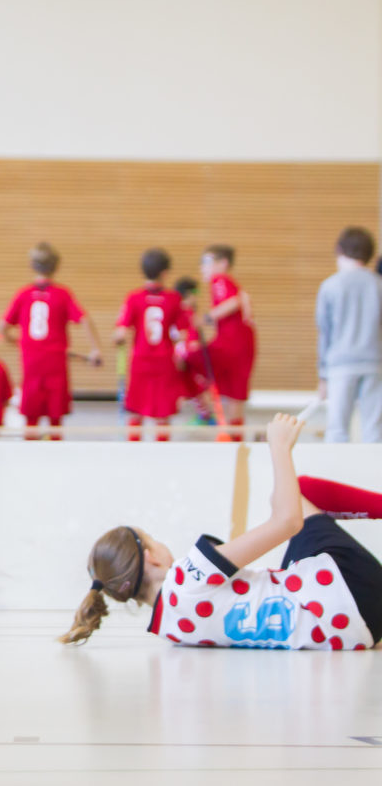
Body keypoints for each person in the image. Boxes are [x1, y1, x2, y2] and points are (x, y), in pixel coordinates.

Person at [60, 413, 382, 650]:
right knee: (298, 491)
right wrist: (279, 447)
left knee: (284, 517)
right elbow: (288, 522)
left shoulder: (169, 628)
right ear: (151, 557)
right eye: (152, 539)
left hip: (349, 633)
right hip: (352, 593)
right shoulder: (188, 576)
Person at [0, 242, 102, 440]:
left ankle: (30, 450)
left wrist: (17, 342)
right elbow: (84, 319)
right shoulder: (62, 294)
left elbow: (2, 328)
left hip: (31, 364)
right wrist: (95, 348)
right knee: (55, 417)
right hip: (55, 364)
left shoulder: (24, 294)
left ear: (31, 265)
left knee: (31, 417)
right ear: (57, 266)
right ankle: (55, 450)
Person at [113, 249, 189, 442]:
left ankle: (133, 448)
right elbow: (182, 333)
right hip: (164, 362)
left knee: (136, 410)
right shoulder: (174, 299)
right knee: (162, 413)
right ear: (165, 273)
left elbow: (120, 332)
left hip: (140, 361)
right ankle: (161, 451)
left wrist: (118, 339)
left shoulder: (133, 298)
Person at [315, 226, 382, 443]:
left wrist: (323, 375)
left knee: (337, 430)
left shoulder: (330, 286)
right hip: (375, 364)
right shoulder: (378, 285)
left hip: (340, 365)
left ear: (339, 250)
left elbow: (325, 333)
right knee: (374, 430)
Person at [200, 244, 256, 440]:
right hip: (240, 344)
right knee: (234, 394)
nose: (202, 267)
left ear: (223, 263)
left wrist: (206, 318)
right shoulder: (229, 283)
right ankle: (234, 438)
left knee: (189, 358)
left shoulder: (219, 279)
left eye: (206, 262)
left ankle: (204, 412)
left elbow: (233, 302)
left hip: (232, 344)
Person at [170, 276, 214, 426]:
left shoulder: (185, 313)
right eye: (196, 294)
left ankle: (206, 415)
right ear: (188, 295)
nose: (197, 298)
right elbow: (186, 337)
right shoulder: (184, 313)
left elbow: (192, 338)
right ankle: (204, 414)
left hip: (188, 356)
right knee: (193, 388)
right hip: (185, 355)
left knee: (196, 388)